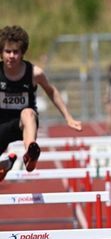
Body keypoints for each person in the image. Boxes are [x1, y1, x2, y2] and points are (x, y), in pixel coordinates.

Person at [0, 25, 82, 180]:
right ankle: (6, 165)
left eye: (15, 52)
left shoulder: (34, 73)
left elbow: (52, 91)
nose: (11, 56)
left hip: (24, 124)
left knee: (27, 112)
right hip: (2, 124)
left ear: (22, 53)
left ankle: (30, 152)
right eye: (7, 51)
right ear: (1, 53)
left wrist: (68, 117)